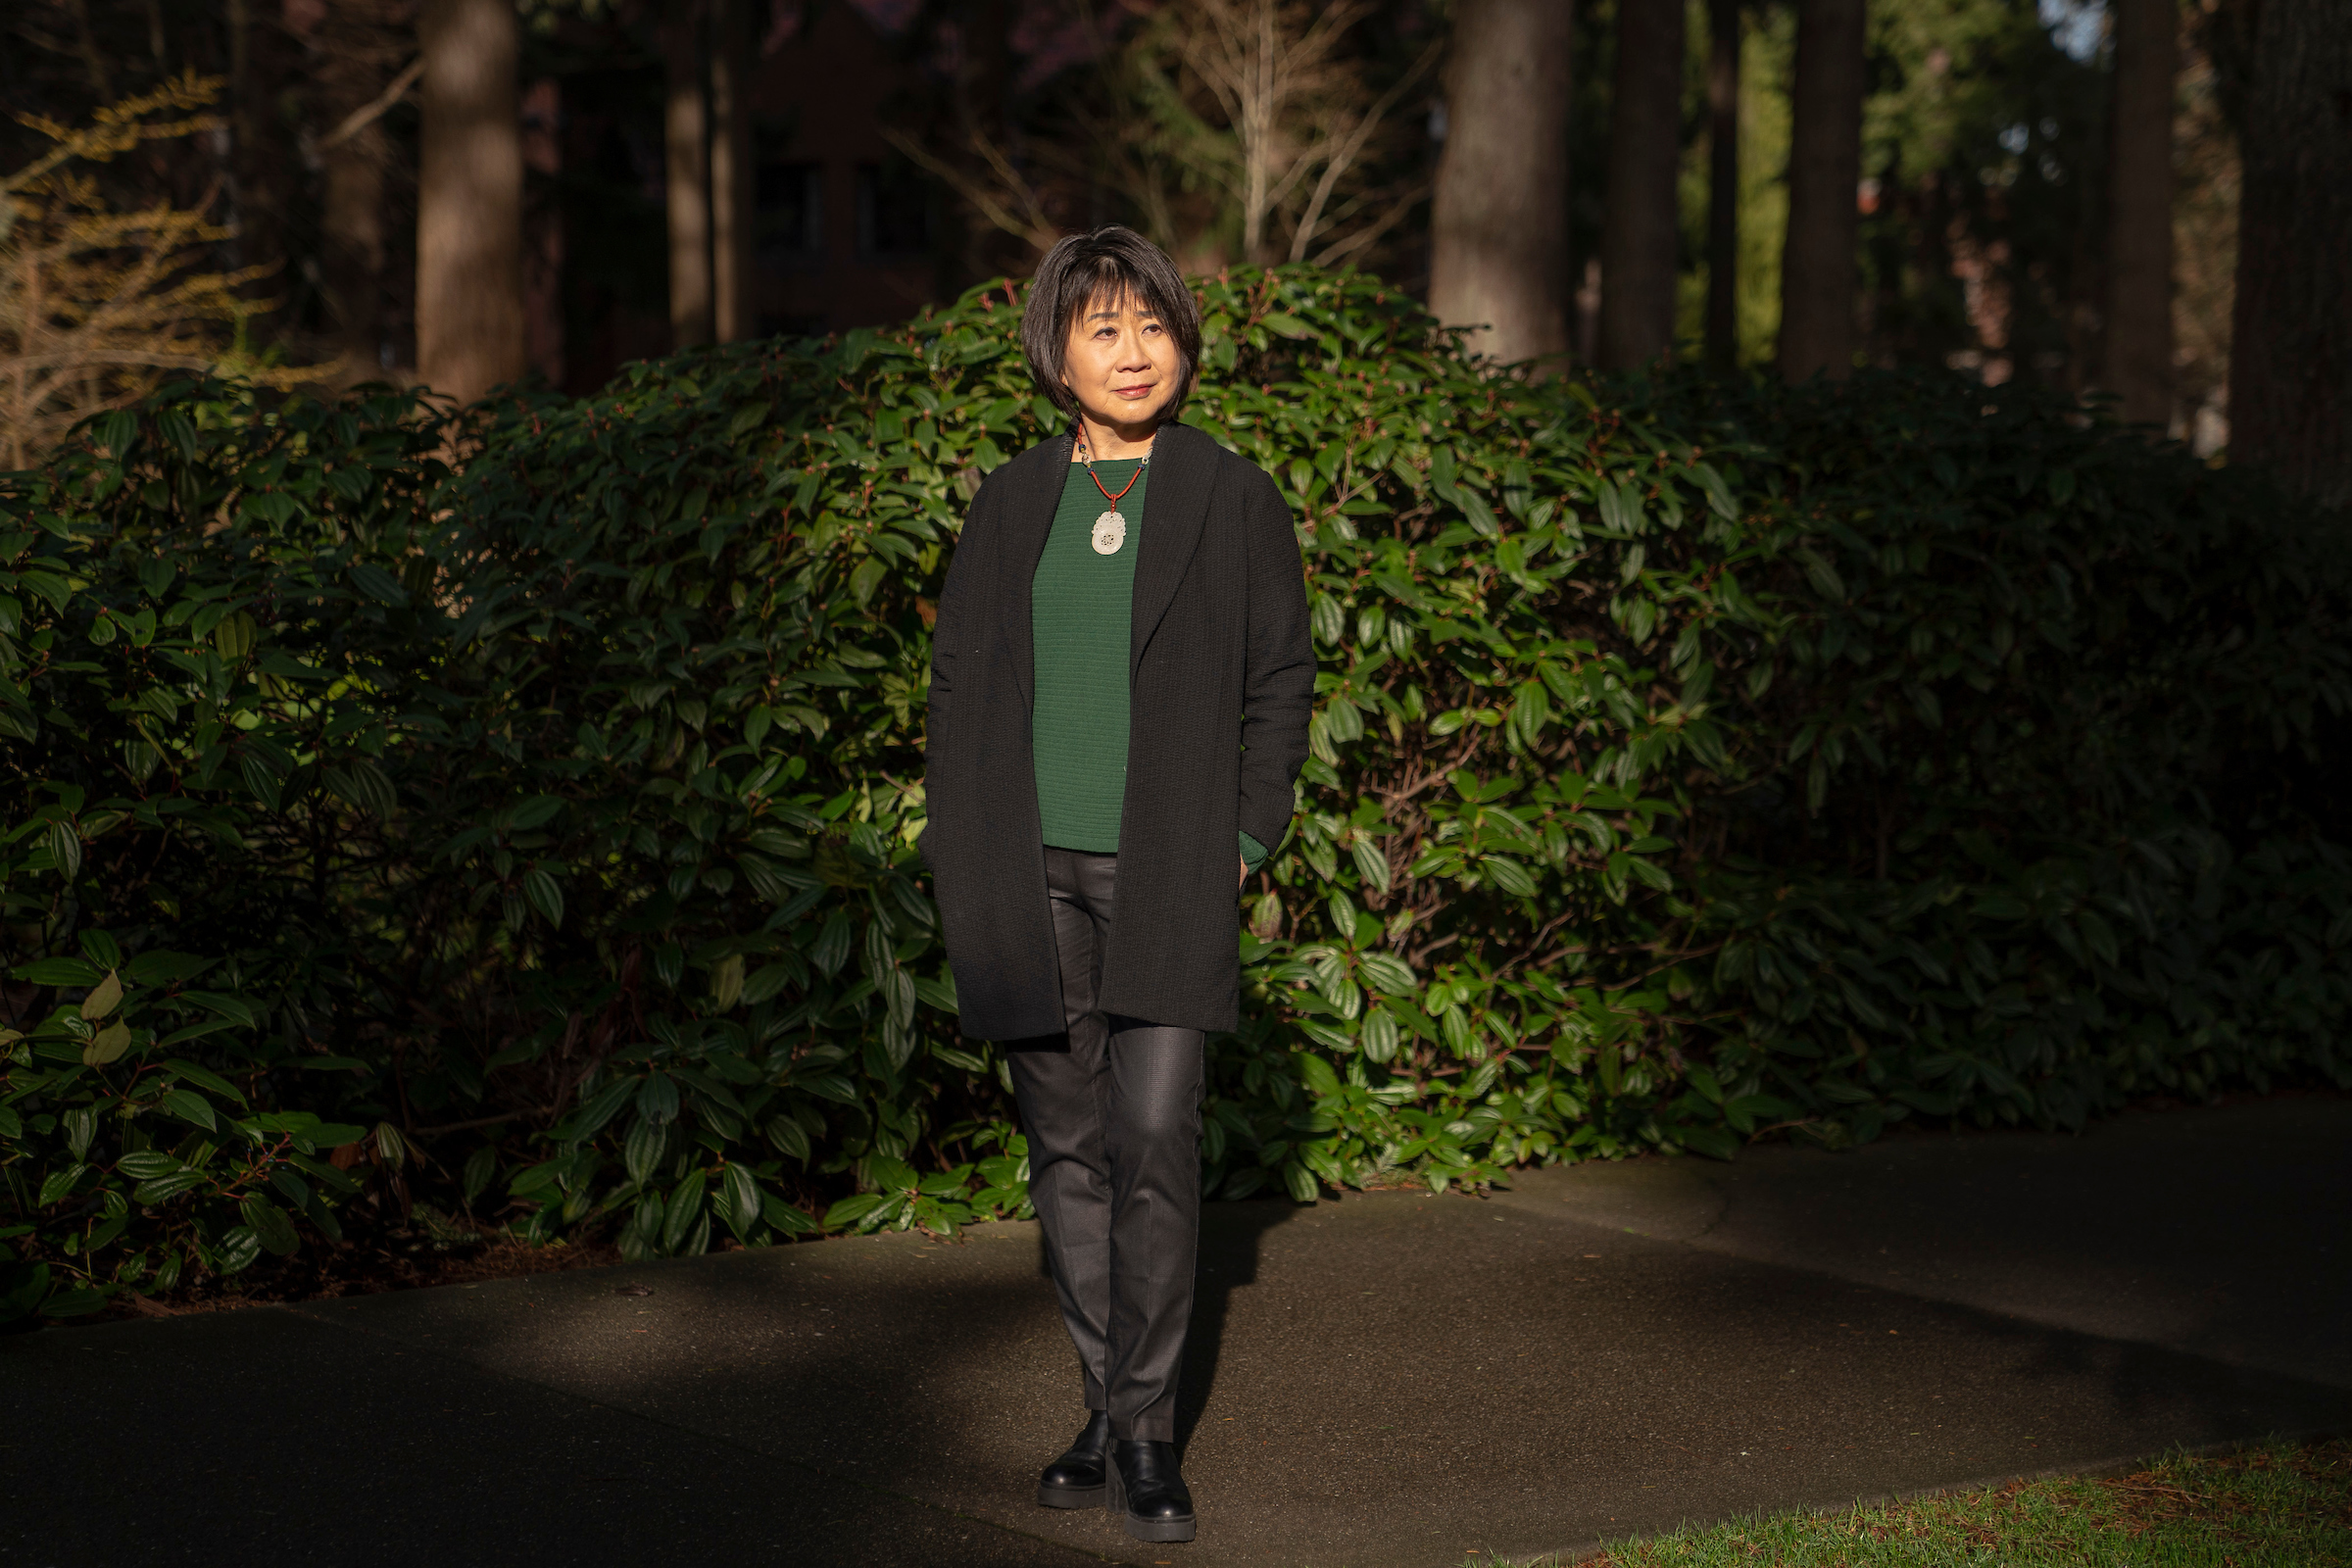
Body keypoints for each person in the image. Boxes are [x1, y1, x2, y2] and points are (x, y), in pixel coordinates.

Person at [918, 225, 1315, 1545]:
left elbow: (1278, 687)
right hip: (1026, 869)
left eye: (1152, 326)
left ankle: (1147, 1433)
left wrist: (1242, 844)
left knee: (1154, 1138)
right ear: (1057, 351)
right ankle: (1105, 1408)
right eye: (1103, 328)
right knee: (1067, 1154)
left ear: (1183, 343)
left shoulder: (1231, 495)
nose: (1133, 352)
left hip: (1166, 870)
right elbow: (963, 684)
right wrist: (962, 847)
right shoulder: (1009, 502)